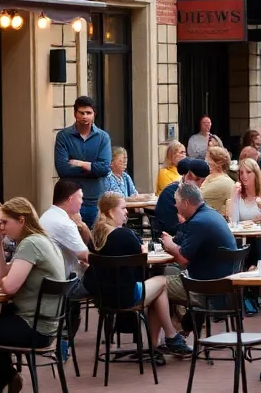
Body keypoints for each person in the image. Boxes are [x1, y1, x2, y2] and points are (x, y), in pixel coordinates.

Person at [0, 197, 65, 393]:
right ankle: (6, 377)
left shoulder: (31, 244)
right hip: (45, 325)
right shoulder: (41, 240)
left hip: (33, 327)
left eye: (4, 222)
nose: (1, 227)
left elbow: (9, 287)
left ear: (21, 221)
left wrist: (4, 280)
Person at [84, 192, 192, 355]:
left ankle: (157, 345)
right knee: (162, 282)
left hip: (102, 297)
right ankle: (169, 337)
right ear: (111, 212)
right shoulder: (123, 235)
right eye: (123, 208)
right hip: (126, 295)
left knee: (156, 290)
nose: (126, 212)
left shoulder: (95, 235)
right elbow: (143, 256)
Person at [159, 183, 238, 308]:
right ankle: (186, 319)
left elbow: (183, 260)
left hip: (205, 290)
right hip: (223, 287)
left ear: (186, 203)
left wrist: (170, 245)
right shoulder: (212, 214)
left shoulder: (198, 222)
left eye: (177, 201)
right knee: (169, 271)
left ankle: (169, 323)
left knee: (155, 287)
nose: (175, 205)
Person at [53, 95, 112, 224]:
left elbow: (104, 169)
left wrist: (80, 163)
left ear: (94, 114)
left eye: (88, 113)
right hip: (69, 200)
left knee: (94, 236)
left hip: (95, 200)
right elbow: (62, 169)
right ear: (75, 114)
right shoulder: (63, 136)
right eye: (81, 113)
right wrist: (92, 168)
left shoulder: (103, 137)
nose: (85, 116)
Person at [39, 179, 91, 291]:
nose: (82, 202)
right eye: (81, 198)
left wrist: (80, 225)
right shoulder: (64, 223)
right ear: (71, 199)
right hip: (60, 286)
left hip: (46, 280)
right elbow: (85, 256)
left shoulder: (47, 215)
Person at [151, 157, 210, 240]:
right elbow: (170, 227)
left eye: (198, 180)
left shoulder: (198, 194)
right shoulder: (170, 193)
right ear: (186, 175)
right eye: (190, 177)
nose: (192, 182)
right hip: (172, 239)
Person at [200, 146, 234, 216]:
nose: (205, 161)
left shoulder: (224, 182)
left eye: (208, 159)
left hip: (210, 218)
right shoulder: (208, 176)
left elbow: (198, 196)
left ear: (219, 163)